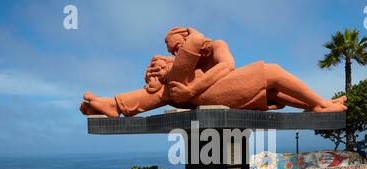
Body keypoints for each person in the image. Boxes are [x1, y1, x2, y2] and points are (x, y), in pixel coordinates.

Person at [80, 27, 348, 117]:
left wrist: (190, 89)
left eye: (179, 47)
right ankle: (322, 104)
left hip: (214, 92)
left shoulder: (216, 46)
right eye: (174, 51)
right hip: (210, 97)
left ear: (189, 36)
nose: (178, 54)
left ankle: (316, 105)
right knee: (272, 71)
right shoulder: (183, 63)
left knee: (272, 84)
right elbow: (160, 88)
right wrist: (155, 73)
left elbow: (227, 67)